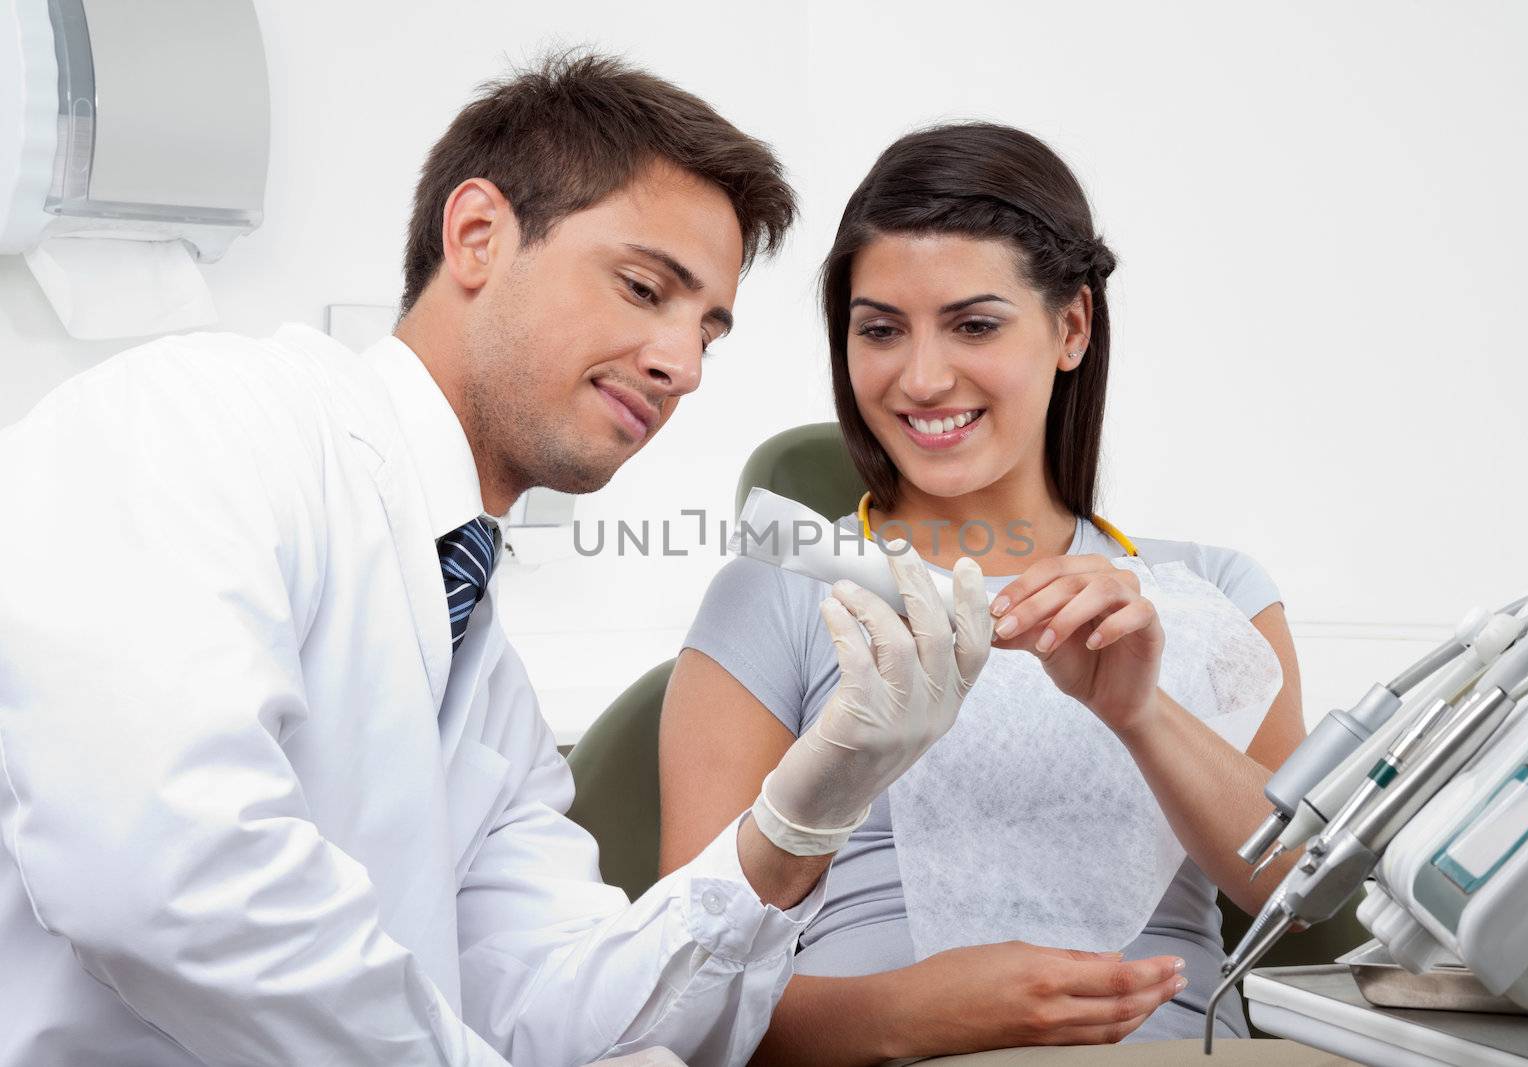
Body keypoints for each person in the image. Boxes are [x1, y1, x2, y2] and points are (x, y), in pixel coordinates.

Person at [0, 54, 992, 1067]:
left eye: (708, 331)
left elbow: (557, 1007)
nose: (682, 366)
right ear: (477, 236)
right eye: (645, 287)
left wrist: (798, 818)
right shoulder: (192, 424)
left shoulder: (482, 668)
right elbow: (165, 876)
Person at [659, 123, 1311, 1065]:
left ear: (1072, 327)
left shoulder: (1209, 590)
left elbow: (1298, 895)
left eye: (974, 324)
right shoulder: (779, 588)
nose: (921, 378)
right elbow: (689, 978)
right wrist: (923, 1012)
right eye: (879, 329)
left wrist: (1139, 712)